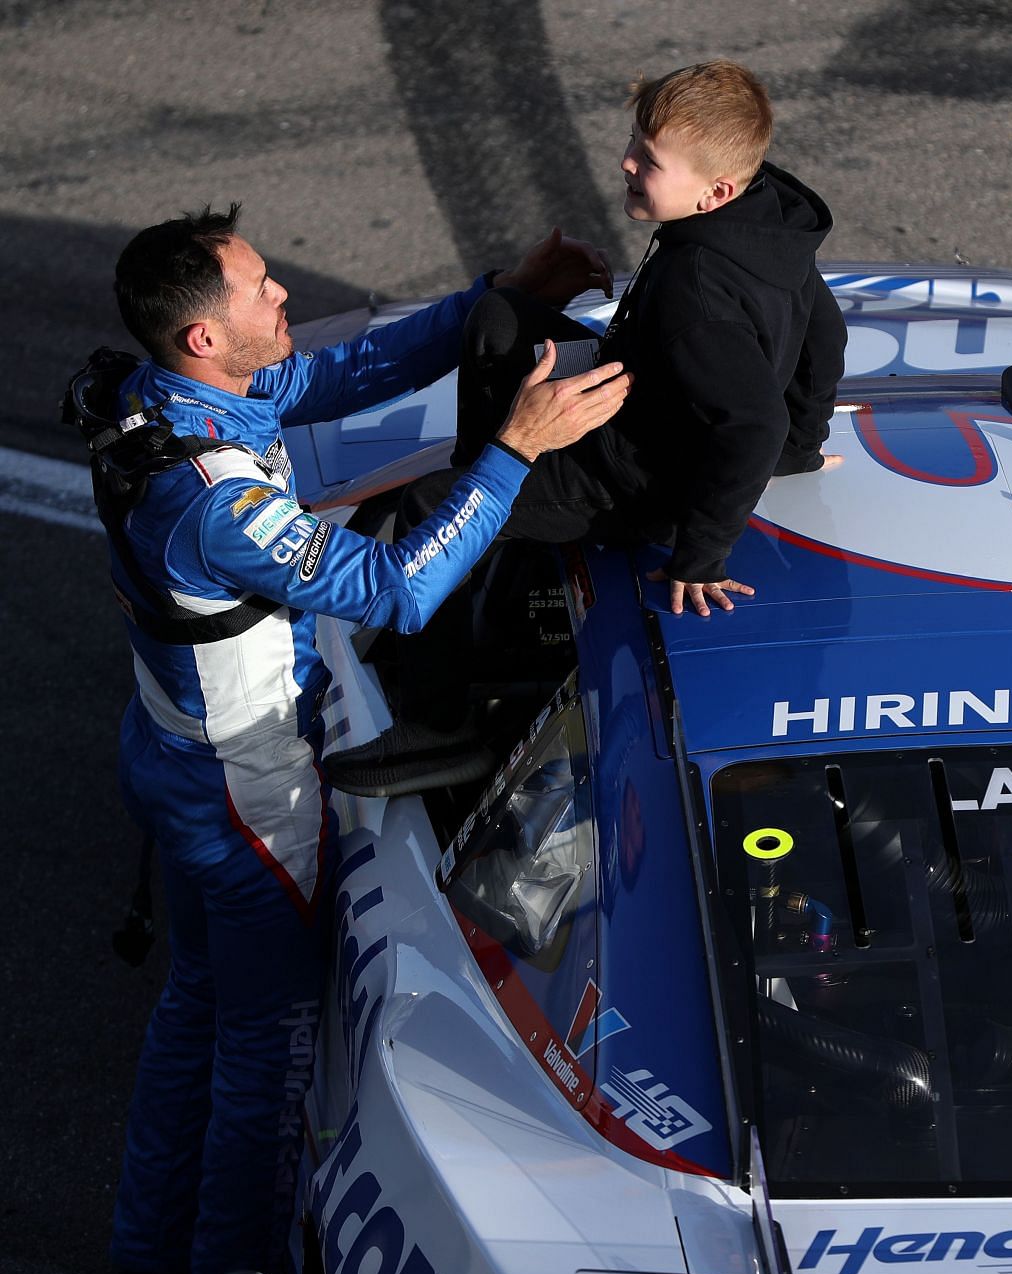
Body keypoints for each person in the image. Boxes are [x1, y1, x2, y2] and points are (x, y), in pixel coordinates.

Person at [91, 203, 631, 1274]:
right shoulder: (217, 506)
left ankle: (142, 1252)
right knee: (265, 1051)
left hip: (173, 750)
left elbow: (333, 375)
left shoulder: (166, 393)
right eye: (260, 290)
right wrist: (515, 451)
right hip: (240, 797)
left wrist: (501, 300)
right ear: (205, 334)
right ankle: (233, 1264)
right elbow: (399, 586)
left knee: (198, 1004)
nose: (282, 293)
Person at [328, 59, 847, 792]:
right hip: (630, 403)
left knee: (429, 508)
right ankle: (491, 538)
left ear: (715, 190)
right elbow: (823, 334)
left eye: (650, 160)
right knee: (498, 319)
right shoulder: (770, 224)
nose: (627, 164)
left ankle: (440, 731)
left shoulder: (694, 294)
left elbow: (751, 424)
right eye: (634, 142)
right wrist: (805, 445)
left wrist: (702, 555)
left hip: (626, 479)